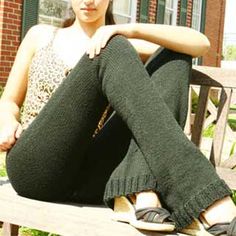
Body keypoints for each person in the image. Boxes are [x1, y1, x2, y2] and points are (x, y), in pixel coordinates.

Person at [0, 0, 235, 235]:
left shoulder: (123, 42)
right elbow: (9, 101)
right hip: (37, 168)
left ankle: (142, 190)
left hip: (94, 177)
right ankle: (202, 192)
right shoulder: (40, 35)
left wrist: (126, 30)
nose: (88, 0)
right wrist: (7, 120)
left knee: (174, 57)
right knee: (109, 47)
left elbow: (200, 44)